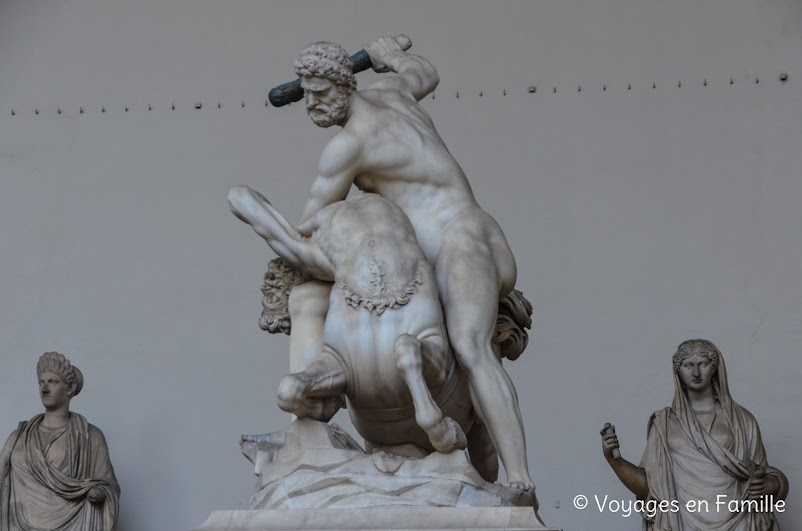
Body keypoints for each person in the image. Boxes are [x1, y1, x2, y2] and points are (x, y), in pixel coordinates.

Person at [286, 36, 532, 490]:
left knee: (471, 347)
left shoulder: (346, 147)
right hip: (479, 234)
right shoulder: (389, 91)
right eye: (305, 94)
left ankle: (519, 478)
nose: (312, 105)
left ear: (344, 85)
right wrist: (391, 56)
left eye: (320, 93)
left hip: (456, 244)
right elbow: (424, 73)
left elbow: (308, 229)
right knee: (471, 348)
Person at [601, 339, 788, 530]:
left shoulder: (743, 421)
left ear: (714, 367)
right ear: (678, 371)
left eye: (703, 364)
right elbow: (650, 488)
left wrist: (770, 485)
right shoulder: (664, 424)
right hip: (681, 523)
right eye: (688, 365)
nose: (696, 373)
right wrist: (614, 459)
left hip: (740, 522)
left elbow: (764, 473)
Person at [0, 352, 120, 530]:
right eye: (41, 382)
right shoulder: (19, 436)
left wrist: (100, 492)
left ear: (69, 388)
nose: (44, 388)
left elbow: (108, 484)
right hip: (18, 523)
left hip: (72, 522)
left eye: (53, 382)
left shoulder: (89, 436)